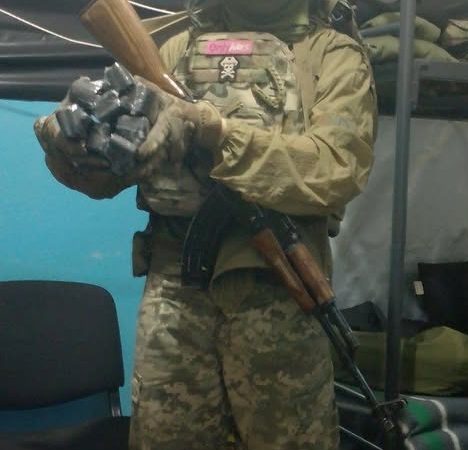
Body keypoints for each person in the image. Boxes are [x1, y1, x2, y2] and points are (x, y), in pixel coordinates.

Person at [34, 0, 377, 448]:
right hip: (174, 294)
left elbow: (335, 170)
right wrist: (79, 141)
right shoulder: (175, 48)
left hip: (279, 297)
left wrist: (212, 129)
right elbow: (109, 176)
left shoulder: (331, 54)